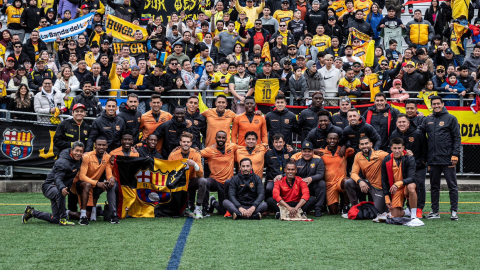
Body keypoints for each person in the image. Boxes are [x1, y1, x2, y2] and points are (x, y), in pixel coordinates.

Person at [22, 142, 85, 226]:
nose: (78, 153)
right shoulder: (62, 162)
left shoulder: (78, 159)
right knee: (59, 191)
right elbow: (58, 178)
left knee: (55, 219)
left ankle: (32, 212)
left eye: (81, 151)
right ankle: (63, 219)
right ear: (71, 150)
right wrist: (62, 188)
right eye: (76, 151)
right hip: (50, 186)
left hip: (59, 187)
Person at [420, 96, 461, 221]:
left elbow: (457, 138)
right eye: (434, 104)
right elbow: (418, 132)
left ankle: (454, 211)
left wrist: (455, 155)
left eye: (438, 103)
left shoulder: (451, 118)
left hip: (448, 159)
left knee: (452, 186)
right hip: (433, 160)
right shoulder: (428, 119)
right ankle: (435, 211)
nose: (436, 105)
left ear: (442, 104)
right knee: (434, 186)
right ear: (431, 105)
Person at [70, 137, 119, 225]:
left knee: (110, 184)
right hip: (81, 184)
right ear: (95, 146)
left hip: (93, 184)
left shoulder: (107, 157)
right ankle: (81, 215)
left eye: (103, 145)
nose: (101, 147)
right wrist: (97, 183)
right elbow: (81, 176)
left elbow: (108, 174)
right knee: (89, 185)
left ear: (106, 146)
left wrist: (111, 179)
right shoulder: (87, 156)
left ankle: (110, 215)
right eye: (99, 145)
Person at [391, 114, 428, 218]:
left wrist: (422, 161)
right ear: (396, 124)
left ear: (408, 123)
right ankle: (406, 208)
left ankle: (419, 208)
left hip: (418, 166)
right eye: (399, 122)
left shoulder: (417, 133)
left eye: (404, 122)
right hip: (402, 166)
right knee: (403, 186)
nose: (402, 124)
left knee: (419, 185)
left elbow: (425, 149)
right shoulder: (394, 134)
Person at [381, 138, 423, 225]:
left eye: (399, 148)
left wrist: (398, 183)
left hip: (405, 185)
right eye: (395, 148)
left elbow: (411, 178)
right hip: (395, 189)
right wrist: (386, 196)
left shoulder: (409, 158)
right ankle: (407, 212)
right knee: (396, 215)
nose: (397, 150)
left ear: (403, 148)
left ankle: (413, 215)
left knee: (411, 187)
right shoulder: (386, 160)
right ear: (391, 148)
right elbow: (384, 179)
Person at [345, 136, 389, 220]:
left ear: (371, 144)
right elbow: (353, 173)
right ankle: (354, 208)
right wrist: (360, 181)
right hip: (367, 184)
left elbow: (394, 156)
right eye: (362, 144)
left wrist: (405, 153)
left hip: (378, 188)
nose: (364, 146)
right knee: (348, 182)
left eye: (366, 143)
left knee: (376, 212)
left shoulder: (380, 154)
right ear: (359, 146)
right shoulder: (358, 155)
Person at [168, 132, 207, 219]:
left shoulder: (196, 154)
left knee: (203, 181)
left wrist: (195, 165)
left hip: (191, 181)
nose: (186, 144)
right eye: (184, 142)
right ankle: (183, 207)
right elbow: (169, 173)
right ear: (180, 143)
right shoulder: (173, 155)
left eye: (188, 142)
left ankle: (198, 208)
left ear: (191, 143)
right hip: (178, 183)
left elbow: (201, 174)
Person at [201, 131, 238, 215]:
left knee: (222, 211)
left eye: (223, 137)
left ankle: (213, 202)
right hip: (215, 181)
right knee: (205, 182)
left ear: (226, 139)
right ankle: (205, 208)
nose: (221, 139)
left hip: (227, 183)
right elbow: (196, 154)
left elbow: (244, 148)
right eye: (219, 137)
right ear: (215, 138)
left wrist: (264, 147)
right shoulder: (209, 150)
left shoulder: (232, 147)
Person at [319, 133, 355, 215]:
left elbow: (354, 148)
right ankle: (339, 207)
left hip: (341, 181)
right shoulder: (321, 153)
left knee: (347, 181)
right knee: (333, 212)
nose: (332, 140)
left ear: (338, 140)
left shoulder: (343, 151)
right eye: (330, 139)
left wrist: (344, 146)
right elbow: (304, 153)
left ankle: (346, 206)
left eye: (334, 139)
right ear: (327, 140)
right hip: (330, 184)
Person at [290, 141, 326, 217]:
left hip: (312, 185)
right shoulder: (296, 160)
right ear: (301, 152)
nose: (307, 153)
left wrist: (311, 178)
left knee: (321, 183)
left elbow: (321, 174)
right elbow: (291, 173)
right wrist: (280, 176)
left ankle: (318, 208)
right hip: (299, 186)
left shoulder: (318, 160)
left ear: (313, 152)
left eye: (309, 151)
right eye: (305, 151)